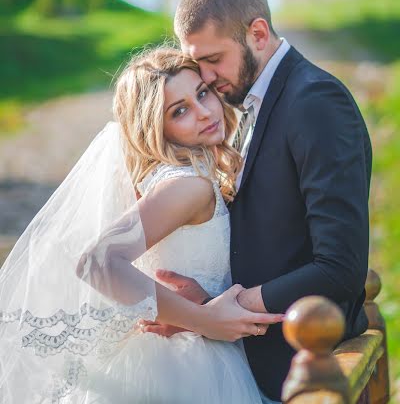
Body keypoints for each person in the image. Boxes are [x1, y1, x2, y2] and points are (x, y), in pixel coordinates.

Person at [0, 46, 283, 404]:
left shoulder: (182, 175)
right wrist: (202, 320)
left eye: (202, 93)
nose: (203, 112)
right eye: (179, 111)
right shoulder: (188, 186)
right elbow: (98, 262)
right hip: (186, 363)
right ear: (156, 127)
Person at [144, 0, 371, 403]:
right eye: (197, 63)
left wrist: (221, 309)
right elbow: (278, 243)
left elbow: (340, 266)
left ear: (259, 33)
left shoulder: (315, 102)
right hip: (255, 359)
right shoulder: (248, 103)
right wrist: (206, 301)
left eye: (213, 59)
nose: (205, 77)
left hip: (305, 364)